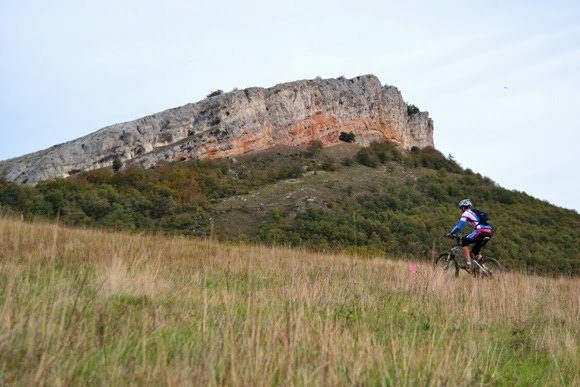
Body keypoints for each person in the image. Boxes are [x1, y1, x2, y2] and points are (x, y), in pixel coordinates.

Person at [446, 199, 493, 270]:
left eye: (461, 208)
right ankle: (484, 269)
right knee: (475, 252)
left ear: (463, 207)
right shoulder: (474, 213)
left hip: (480, 231)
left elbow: (458, 226)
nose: (461, 209)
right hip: (489, 232)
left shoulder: (466, 213)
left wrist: (451, 233)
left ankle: (468, 264)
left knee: (464, 242)